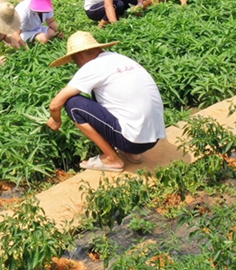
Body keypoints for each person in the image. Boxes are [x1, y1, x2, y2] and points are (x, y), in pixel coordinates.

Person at [46, 31, 167, 172]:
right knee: (100, 92)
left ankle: (112, 158)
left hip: (133, 141)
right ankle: (130, 153)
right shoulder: (120, 58)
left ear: (79, 56)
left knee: (73, 104)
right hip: (153, 138)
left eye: (74, 60)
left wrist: (56, 121)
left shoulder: (92, 66)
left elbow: (55, 105)